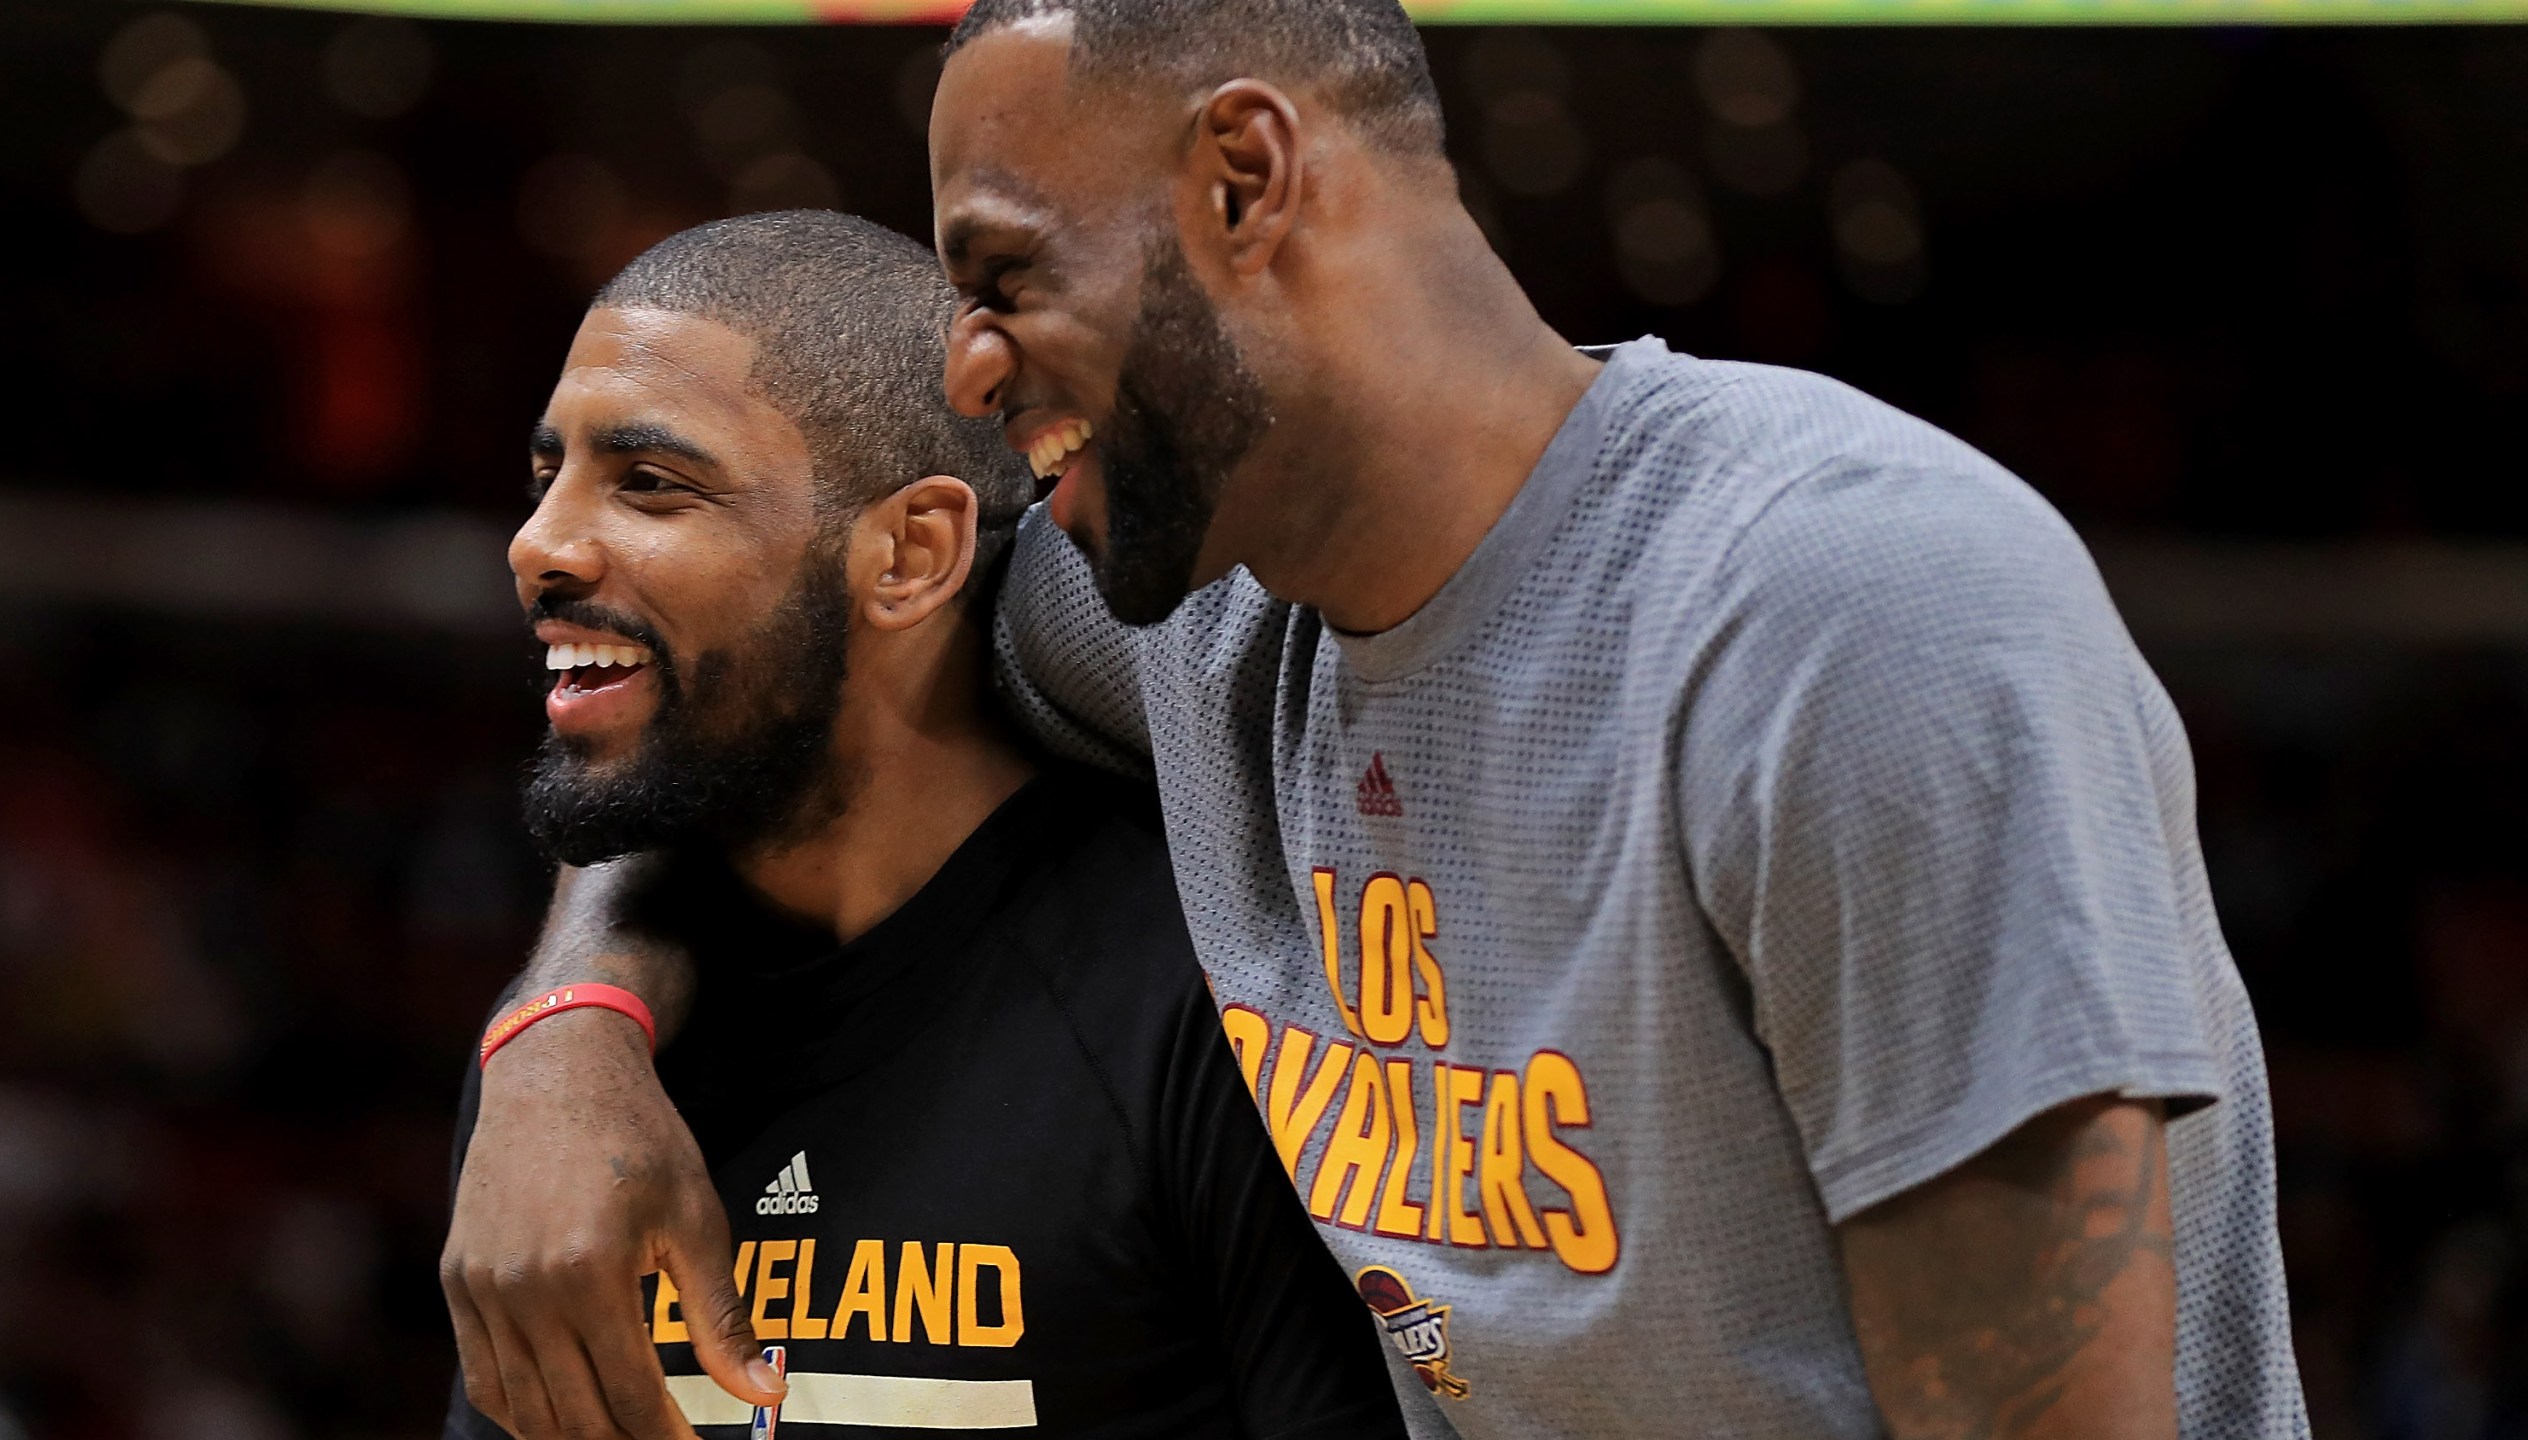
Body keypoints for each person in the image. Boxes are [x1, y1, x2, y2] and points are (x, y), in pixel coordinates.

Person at [443, 4, 2313, 1437]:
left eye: (1005, 272)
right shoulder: (1192, 615)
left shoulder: (1848, 614)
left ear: (1244, 181)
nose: (966, 366)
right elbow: (743, 683)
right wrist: (565, 1042)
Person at [441, 209, 1407, 1440]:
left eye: (650, 484)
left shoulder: (1216, 1009)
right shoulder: (570, 1077)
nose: (537, 546)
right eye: (546, 478)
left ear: (910, 552)